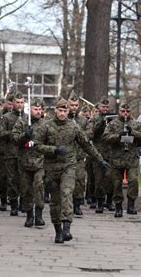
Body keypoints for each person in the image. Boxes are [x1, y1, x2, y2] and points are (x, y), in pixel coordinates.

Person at [36, 98, 109, 243]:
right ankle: (58, 230)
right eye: (60, 110)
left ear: (68, 111)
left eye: (65, 111)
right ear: (55, 110)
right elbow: (37, 145)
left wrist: (100, 159)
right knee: (55, 201)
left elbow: (86, 145)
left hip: (69, 166)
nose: (62, 113)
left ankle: (67, 228)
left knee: (67, 192)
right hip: (51, 168)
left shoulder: (74, 127)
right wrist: (54, 150)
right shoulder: (46, 126)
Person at [102, 103, 141, 217]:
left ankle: (131, 205)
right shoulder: (112, 124)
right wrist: (118, 136)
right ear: (119, 111)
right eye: (123, 111)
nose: (125, 113)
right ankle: (118, 206)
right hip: (117, 159)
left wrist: (133, 132)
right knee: (116, 183)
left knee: (133, 180)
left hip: (131, 158)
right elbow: (105, 138)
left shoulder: (135, 124)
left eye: (127, 111)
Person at [11, 97, 46, 227]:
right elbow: (14, 138)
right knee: (26, 190)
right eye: (35, 109)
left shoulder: (45, 124)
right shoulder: (22, 123)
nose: (38, 111)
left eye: (39, 109)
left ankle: (39, 215)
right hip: (25, 162)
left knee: (39, 187)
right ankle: (29, 215)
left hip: (40, 162)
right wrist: (24, 136)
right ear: (29, 109)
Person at [0, 92, 24, 216]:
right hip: (10, 152)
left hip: (24, 153)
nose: (19, 105)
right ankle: (13, 204)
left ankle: (24, 203)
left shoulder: (27, 117)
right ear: (13, 103)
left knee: (23, 179)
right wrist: (12, 134)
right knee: (11, 179)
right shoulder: (6, 117)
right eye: (17, 102)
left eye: (22, 102)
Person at [85, 96, 114, 213]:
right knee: (99, 180)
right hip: (98, 153)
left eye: (107, 107)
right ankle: (100, 202)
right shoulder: (94, 119)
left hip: (111, 153)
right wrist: (100, 124)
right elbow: (90, 135)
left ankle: (110, 201)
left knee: (110, 179)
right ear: (99, 107)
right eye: (103, 107)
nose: (105, 109)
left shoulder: (113, 118)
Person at [67, 90, 87, 216]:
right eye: (71, 105)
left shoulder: (83, 121)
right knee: (67, 182)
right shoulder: (63, 118)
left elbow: (89, 135)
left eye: (76, 105)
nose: (74, 108)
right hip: (66, 156)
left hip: (79, 156)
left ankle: (77, 204)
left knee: (79, 180)